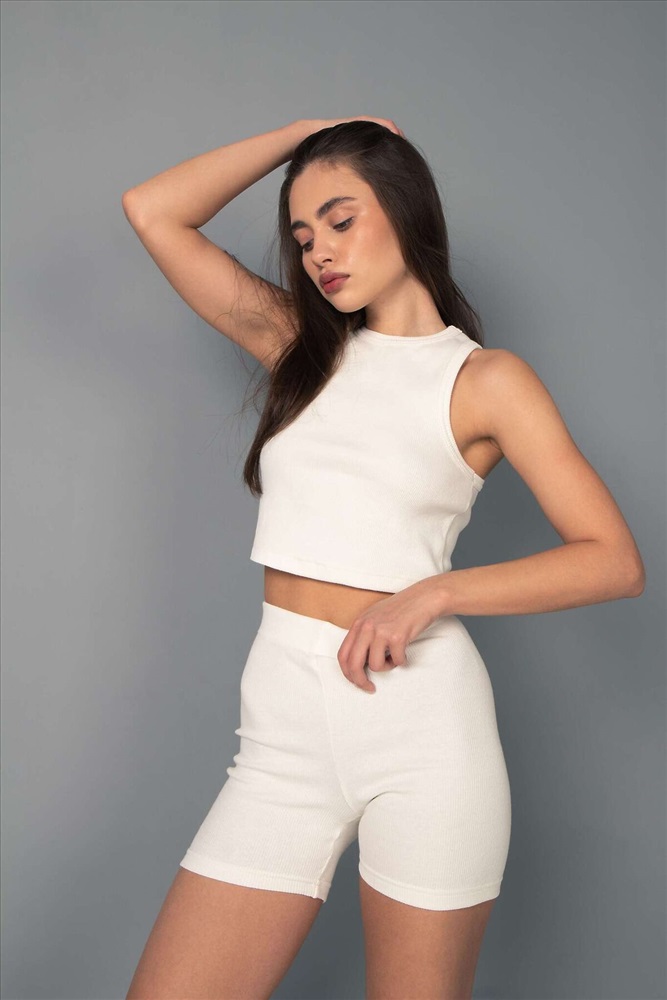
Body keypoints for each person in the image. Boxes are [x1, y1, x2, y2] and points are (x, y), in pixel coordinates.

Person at [121, 118, 645, 1000]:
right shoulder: (299, 349)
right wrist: (308, 133)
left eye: (340, 219)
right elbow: (153, 210)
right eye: (302, 236)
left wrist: (431, 594)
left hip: (420, 730)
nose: (319, 252)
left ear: (404, 210)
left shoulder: (483, 381)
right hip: (281, 732)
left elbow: (612, 560)